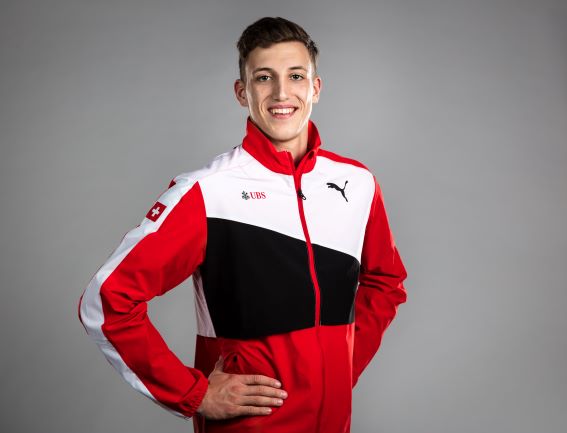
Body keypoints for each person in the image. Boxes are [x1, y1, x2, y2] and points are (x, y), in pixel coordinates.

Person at [78, 16, 407, 433]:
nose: (282, 93)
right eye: (264, 78)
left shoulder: (357, 183)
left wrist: (341, 366)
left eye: (296, 76)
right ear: (242, 92)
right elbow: (106, 301)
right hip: (248, 425)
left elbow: (386, 281)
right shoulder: (207, 191)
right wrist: (193, 393)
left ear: (315, 88)